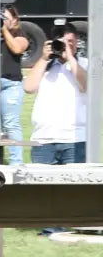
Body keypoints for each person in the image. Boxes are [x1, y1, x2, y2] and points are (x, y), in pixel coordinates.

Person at [23, 22, 88, 166]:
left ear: (77, 42)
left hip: (74, 139)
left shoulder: (84, 64)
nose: (67, 45)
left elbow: (87, 86)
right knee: (41, 188)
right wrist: (44, 58)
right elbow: (28, 87)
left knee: (75, 187)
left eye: (70, 42)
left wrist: (70, 58)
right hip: (43, 139)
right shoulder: (45, 65)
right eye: (63, 42)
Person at [0, 5, 29, 165]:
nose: (2, 21)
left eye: (5, 18)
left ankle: (16, 163)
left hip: (11, 85)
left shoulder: (20, 35)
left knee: (11, 124)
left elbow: (17, 48)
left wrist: (5, 30)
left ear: (15, 20)